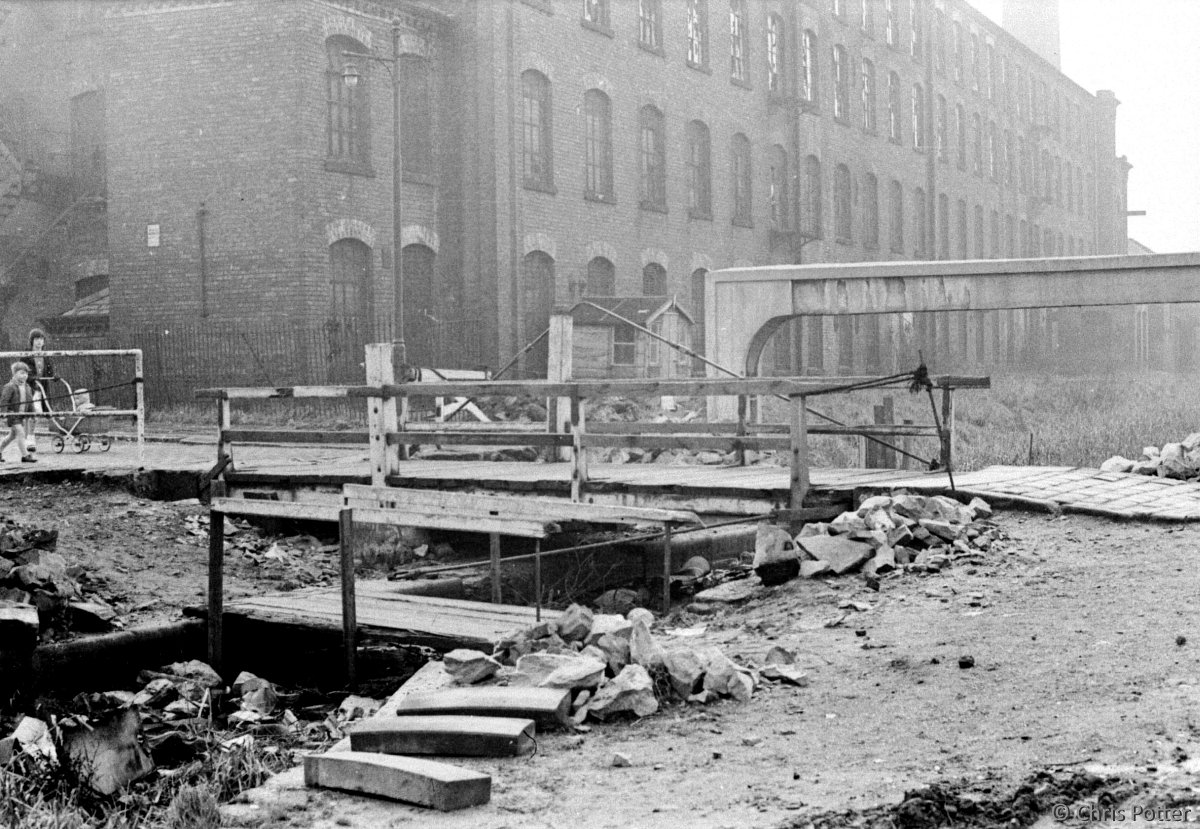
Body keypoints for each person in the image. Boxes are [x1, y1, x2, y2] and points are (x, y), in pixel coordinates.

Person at [20, 328, 54, 453]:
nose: (39, 342)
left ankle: (28, 436)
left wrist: (54, 376)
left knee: (38, 413)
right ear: (32, 341)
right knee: (31, 413)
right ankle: (29, 439)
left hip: (42, 387)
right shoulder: (27, 355)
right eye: (36, 339)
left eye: (41, 339)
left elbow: (49, 370)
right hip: (30, 387)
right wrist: (31, 377)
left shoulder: (45, 355)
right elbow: (22, 371)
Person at [0, 362, 37, 463]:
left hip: (21, 416)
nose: (24, 376)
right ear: (14, 374)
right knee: (21, 433)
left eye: (26, 373)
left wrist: (33, 414)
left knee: (12, 436)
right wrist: (4, 413)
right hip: (12, 414)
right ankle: (25, 455)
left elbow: (30, 402)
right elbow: (4, 401)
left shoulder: (27, 387)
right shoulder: (9, 386)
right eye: (21, 373)